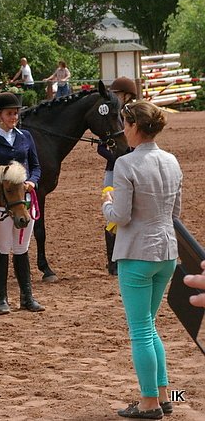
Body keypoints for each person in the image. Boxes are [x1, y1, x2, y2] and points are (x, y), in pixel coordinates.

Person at [101, 100, 182, 419]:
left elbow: (120, 215)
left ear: (135, 127)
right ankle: (164, 395)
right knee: (149, 326)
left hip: (137, 253)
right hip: (167, 252)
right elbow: (176, 214)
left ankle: (149, 402)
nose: (123, 129)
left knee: (140, 330)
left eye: (125, 123)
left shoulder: (125, 164)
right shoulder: (172, 161)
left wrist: (107, 203)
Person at [0, 92, 44, 315]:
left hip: (24, 202)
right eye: (9, 113)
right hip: (1, 205)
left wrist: (32, 182)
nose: (14, 117)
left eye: (16, 113)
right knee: (3, 249)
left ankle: (27, 296)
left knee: (22, 249)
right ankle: (1, 299)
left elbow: (36, 166)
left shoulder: (26, 136)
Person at [98, 76, 139, 275]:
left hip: (135, 168)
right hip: (113, 169)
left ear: (128, 95)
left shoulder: (135, 115)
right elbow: (100, 147)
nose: (115, 97)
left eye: (118, 94)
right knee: (112, 214)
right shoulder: (111, 116)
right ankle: (112, 262)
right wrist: (116, 156)